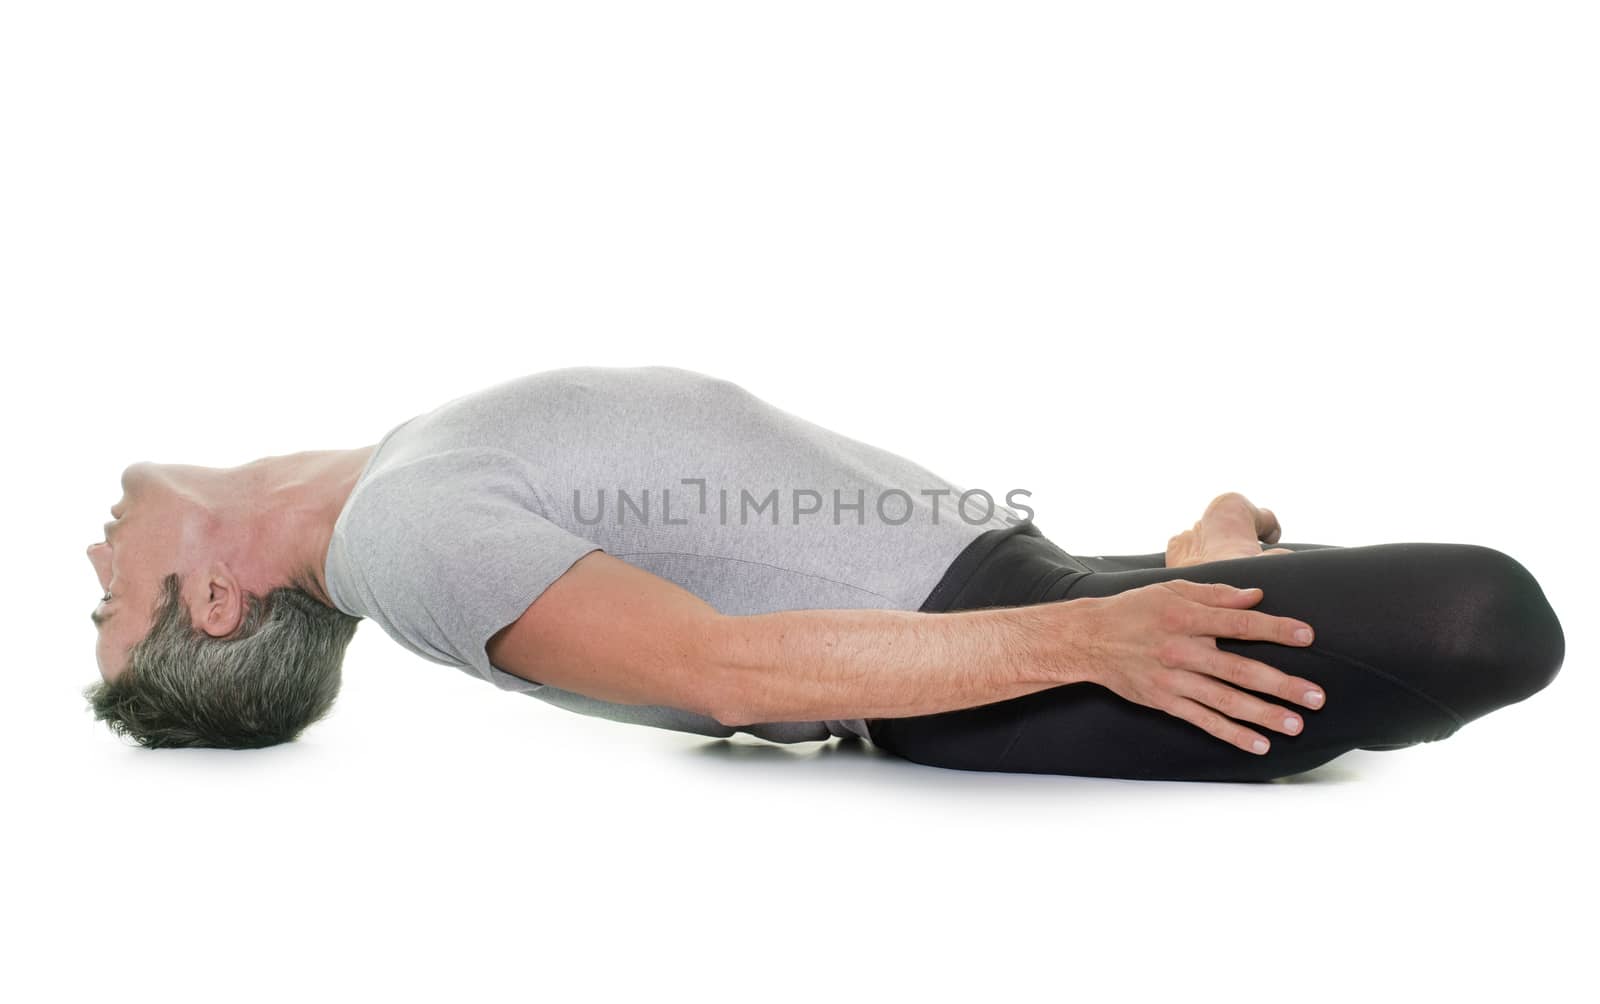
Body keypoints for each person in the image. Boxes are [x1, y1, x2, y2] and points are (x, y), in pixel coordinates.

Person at [84, 365, 1566, 781]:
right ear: (211, 603)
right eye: (106, 605)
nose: (94, 561)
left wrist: (1149, 580)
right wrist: (1095, 644)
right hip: (996, 657)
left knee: (1276, 566)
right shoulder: (399, 541)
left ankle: (1207, 562)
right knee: (1485, 614)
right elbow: (715, 668)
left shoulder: (400, 470)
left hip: (1026, 584)